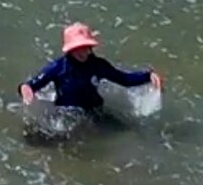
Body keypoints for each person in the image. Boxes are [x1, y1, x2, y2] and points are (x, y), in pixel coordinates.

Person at [20, 23, 158, 118]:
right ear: (69, 49)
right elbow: (31, 85)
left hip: (95, 111)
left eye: (86, 47)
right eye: (77, 48)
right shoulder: (58, 67)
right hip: (67, 114)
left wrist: (148, 76)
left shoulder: (98, 65)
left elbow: (124, 79)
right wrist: (26, 89)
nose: (83, 51)